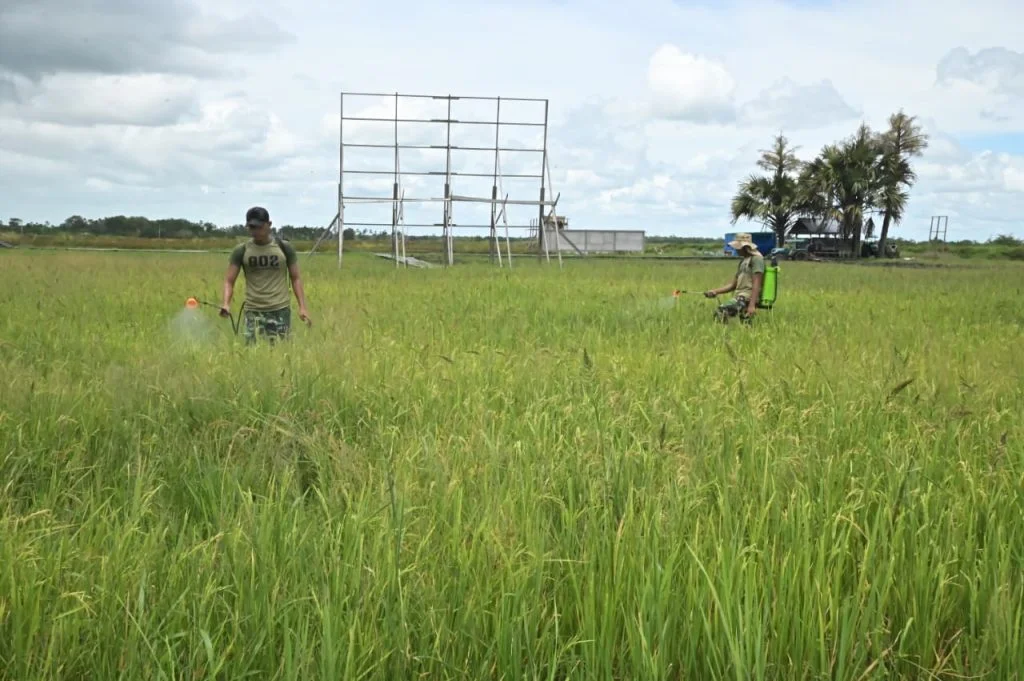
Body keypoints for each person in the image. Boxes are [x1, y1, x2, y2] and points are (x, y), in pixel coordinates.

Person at [221, 206, 311, 343]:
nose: (256, 231)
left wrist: (302, 307)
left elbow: (296, 278)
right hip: (253, 311)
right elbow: (229, 281)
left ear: (269, 225)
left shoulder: (284, 248)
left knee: (280, 352)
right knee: (252, 353)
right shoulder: (242, 250)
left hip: (280, 310)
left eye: (259, 227)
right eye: (252, 227)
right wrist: (226, 303)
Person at [704, 232, 765, 323]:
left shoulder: (756, 259)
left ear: (744, 247)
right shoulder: (743, 261)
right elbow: (733, 285)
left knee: (721, 312)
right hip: (740, 296)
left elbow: (757, 283)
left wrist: (752, 305)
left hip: (747, 298)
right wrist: (715, 291)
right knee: (746, 325)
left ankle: (722, 334)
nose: (735, 249)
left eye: (737, 247)